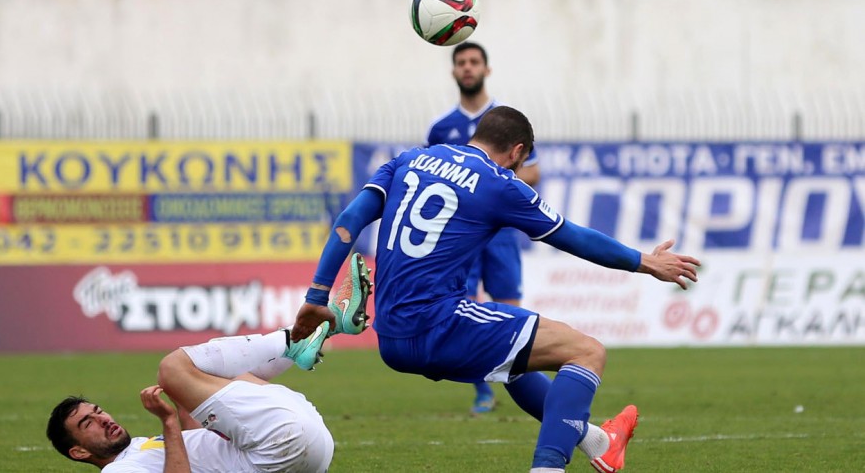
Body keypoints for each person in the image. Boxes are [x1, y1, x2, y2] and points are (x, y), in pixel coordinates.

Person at [292, 107, 701, 472]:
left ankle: (599, 443)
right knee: (587, 352)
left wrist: (316, 298)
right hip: (439, 323)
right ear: (518, 151)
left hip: (392, 337)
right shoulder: (499, 183)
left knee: (515, 365)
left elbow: (348, 221)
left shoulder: (408, 159)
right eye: (521, 162)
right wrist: (645, 262)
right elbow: (572, 236)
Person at [47, 255, 373, 473]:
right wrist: (168, 421)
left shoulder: (139, 449)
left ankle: (318, 331)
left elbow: (205, 449)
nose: (102, 419)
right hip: (277, 448)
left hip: (303, 452)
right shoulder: (120, 469)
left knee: (206, 375)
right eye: (87, 423)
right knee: (172, 369)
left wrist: (183, 401)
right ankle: (302, 337)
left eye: (97, 411)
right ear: (79, 452)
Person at [426, 40, 540, 414]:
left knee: (510, 309)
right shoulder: (442, 128)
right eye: (462, 62)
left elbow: (533, 172)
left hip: (501, 233)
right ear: (453, 71)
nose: (468, 67)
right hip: (461, 235)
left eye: (474, 61)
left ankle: (519, 385)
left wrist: (490, 185)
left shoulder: (506, 121)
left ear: (486, 69)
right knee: (464, 308)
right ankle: (482, 392)